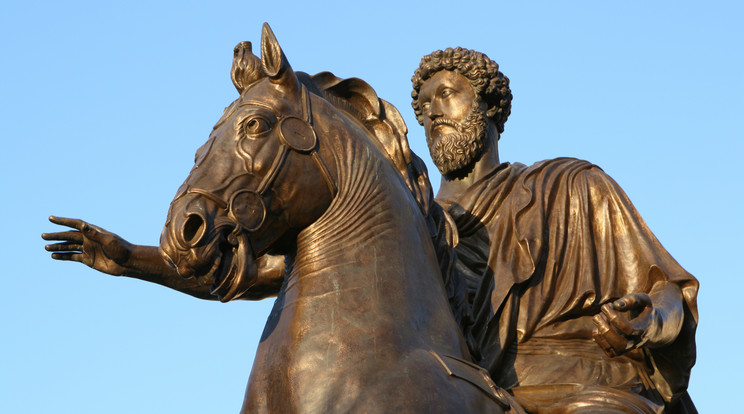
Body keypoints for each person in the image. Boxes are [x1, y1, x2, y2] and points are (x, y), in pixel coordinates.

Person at [411, 47, 698, 413]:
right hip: (458, 392)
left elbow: (666, 288)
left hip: (583, 389)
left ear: (490, 106)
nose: (432, 112)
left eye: (446, 94)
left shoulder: (571, 187)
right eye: (422, 107)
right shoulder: (419, 227)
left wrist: (651, 319)